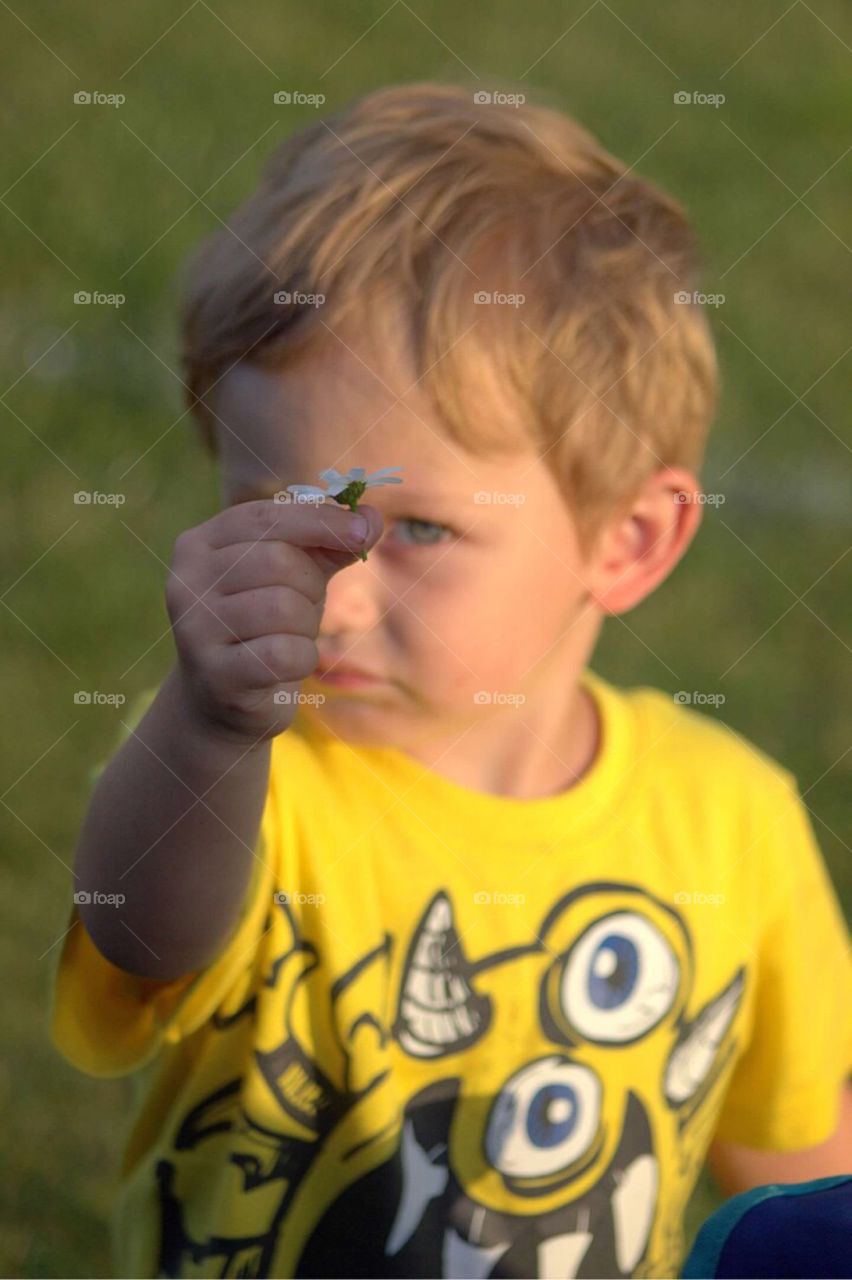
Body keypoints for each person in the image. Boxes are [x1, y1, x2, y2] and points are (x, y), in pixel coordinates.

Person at [48, 82, 852, 1279]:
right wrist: (213, 730)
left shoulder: (733, 822)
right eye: (277, 514)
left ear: (626, 538)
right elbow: (143, 935)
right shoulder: (240, 779)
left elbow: (796, 1181)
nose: (334, 589)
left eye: (415, 529)